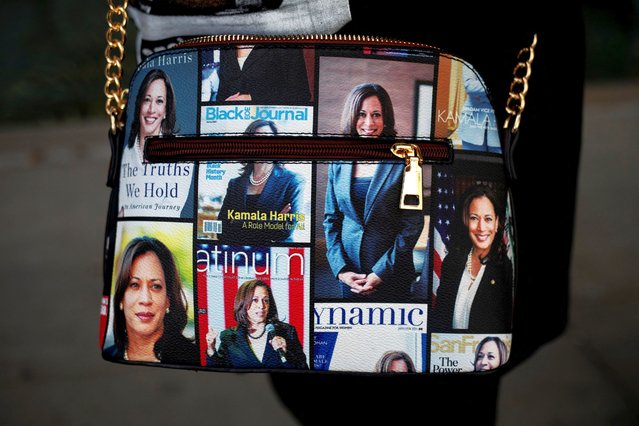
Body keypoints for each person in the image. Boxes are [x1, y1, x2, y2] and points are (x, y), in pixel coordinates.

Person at [324, 83, 423, 299]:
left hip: (392, 275)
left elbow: (412, 224)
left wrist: (381, 271)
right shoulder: (338, 160)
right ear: (352, 116)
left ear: (385, 118)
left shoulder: (407, 160)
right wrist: (341, 270)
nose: (369, 123)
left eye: (376, 114)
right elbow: (331, 219)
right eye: (362, 114)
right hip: (350, 278)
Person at [432, 184, 513, 333]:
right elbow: (439, 317)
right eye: (474, 218)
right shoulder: (452, 262)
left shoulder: (505, 269)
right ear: (465, 220)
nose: (481, 227)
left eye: (488, 219)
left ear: (497, 223)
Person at [104, 236, 199, 364]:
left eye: (155, 286)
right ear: (121, 298)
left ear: (168, 299)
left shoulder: (193, 359)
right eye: (134, 285)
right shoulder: (108, 356)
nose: (145, 299)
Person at [118, 68, 194, 218]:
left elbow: (169, 213)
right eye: (147, 100)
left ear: (166, 110)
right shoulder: (126, 151)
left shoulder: (182, 151)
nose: (151, 109)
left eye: (159, 101)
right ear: (139, 104)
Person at [216, 120, 304, 244]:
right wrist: (274, 222)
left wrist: (237, 223)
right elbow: (222, 230)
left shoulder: (293, 181)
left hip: (277, 255)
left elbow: (286, 229)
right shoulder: (235, 184)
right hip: (241, 254)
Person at [205, 279, 308, 369]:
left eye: (266, 300)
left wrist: (286, 352)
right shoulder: (228, 336)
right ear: (243, 303)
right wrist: (211, 349)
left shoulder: (287, 331)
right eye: (255, 300)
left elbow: (303, 369)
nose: (261, 306)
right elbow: (219, 373)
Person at [217, 45, 311, 104]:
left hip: (272, 123)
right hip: (231, 123)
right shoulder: (226, 44)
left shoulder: (284, 40)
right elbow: (222, 93)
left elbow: (301, 94)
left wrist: (251, 98)